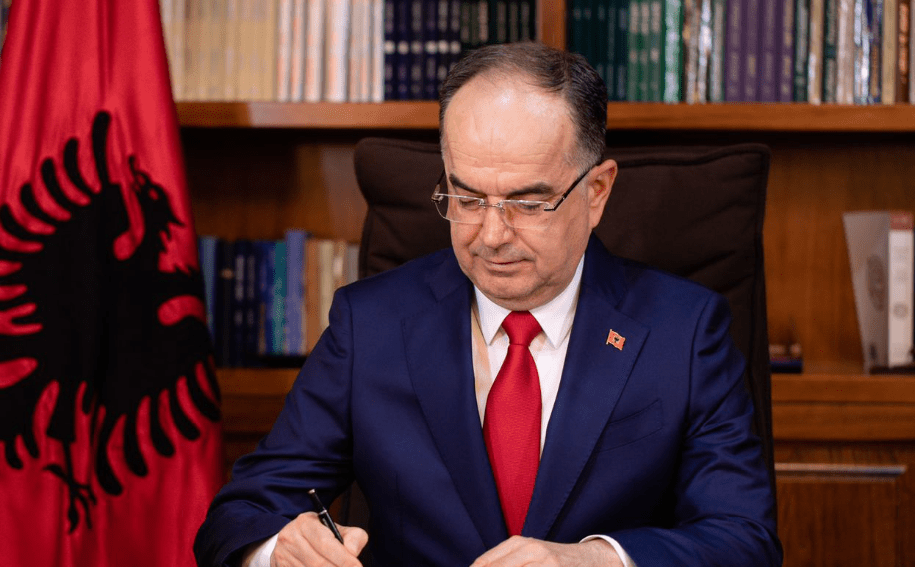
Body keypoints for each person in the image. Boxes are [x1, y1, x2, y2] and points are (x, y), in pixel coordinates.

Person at [194, 42, 782, 567]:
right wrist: (277, 550)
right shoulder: (369, 325)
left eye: (528, 203)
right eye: (468, 198)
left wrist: (595, 561)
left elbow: (744, 540)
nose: (492, 235)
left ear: (597, 192)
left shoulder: (686, 332)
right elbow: (241, 513)